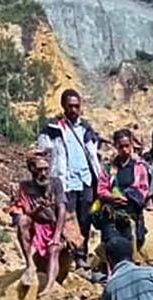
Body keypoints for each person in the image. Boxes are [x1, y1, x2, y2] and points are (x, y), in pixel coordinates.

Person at [38, 89, 103, 269]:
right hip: (65, 181)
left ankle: (81, 255)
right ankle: (68, 257)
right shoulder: (52, 129)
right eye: (70, 106)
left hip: (85, 180)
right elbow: (43, 154)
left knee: (85, 219)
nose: (74, 110)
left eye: (77, 106)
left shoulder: (86, 129)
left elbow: (94, 155)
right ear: (64, 106)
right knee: (67, 220)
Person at [11, 149, 68, 293]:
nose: (43, 174)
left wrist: (56, 235)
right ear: (31, 169)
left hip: (55, 225)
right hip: (37, 226)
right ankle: (30, 264)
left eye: (46, 169)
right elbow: (27, 211)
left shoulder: (56, 183)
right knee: (22, 221)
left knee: (53, 249)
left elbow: (62, 209)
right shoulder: (25, 186)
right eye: (39, 170)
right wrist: (37, 210)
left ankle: (49, 286)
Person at [97, 129, 153, 251]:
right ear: (116, 147)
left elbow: (143, 188)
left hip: (131, 214)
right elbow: (101, 189)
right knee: (111, 245)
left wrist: (129, 198)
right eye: (121, 147)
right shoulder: (109, 168)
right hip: (112, 214)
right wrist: (112, 197)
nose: (125, 150)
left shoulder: (139, 167)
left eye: (127, 146)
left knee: (129, 248)